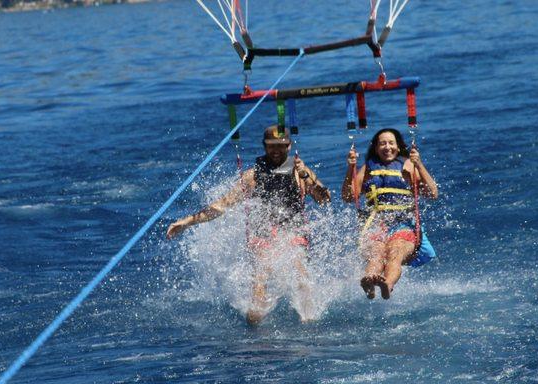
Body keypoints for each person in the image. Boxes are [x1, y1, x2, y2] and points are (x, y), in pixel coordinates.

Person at [167, 125, 331, 325]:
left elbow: (324, 199)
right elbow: (221, 206)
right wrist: (188, 221)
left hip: (292, 231)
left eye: (280, 145)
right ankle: (255, 323)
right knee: (261, 274)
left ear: (289, 146)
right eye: (271, 146)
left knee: (300, 270)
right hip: (263, 234)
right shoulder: (252, 176)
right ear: (264, 146)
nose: (276, 150)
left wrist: (305, 175)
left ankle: (308, 321)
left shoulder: (300, 172)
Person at [341, 128, 438, 299]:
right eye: (382, 143)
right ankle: (369, 281)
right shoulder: (368, 168)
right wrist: (350, 168)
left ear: (398, 146)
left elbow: (432, 194)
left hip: (403, 224)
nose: (387, 147)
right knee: (377, 254)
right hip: (375, 224)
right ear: (376, 148)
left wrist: (419, 165)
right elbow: (348, 197)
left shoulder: (408, 165)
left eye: (391, 143)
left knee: (395, 252)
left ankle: (388, 283)